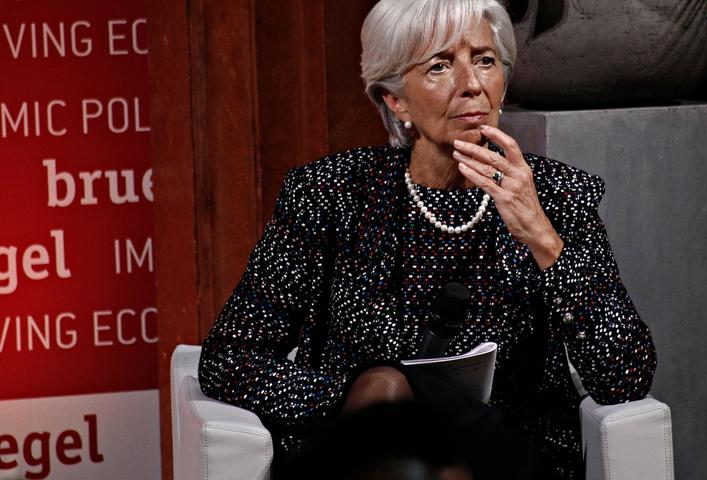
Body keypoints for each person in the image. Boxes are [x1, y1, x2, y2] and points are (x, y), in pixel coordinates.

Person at [198, 0, 657, 478]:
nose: (471, 84)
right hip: (365, 455)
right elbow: (230, 358)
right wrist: (361, 399)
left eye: (485, 60)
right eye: (440, 65)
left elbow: (625, 376)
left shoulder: (556, 197)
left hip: (502, 456)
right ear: (395, 100)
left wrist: (540, 235)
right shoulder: (331, 194)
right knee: (385, 394)